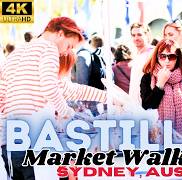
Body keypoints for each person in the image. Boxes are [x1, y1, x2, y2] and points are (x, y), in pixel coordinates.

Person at [0, 17, 109, 180]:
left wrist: (107, 97)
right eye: (69, 46)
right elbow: (50, 87)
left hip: (9, 141)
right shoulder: (49, 48)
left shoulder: (16, 54)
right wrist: (67, 112)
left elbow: (2, 96)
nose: (66, 52)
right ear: (60, 34)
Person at [140, 39, 182, 138]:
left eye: (172, 56)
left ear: (178, 58)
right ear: (157, 57)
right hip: (159, 137)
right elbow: (147, 105)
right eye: (162, 56)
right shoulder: (148, 77)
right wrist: (160, 84)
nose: (167, 61)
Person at [128, 23, 154, 105]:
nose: (136, 38)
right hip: (135, 105)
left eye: (139, 34)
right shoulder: (136, 54)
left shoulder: (152, 52)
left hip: (148, 106)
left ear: (147, 35)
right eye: (133, 35)